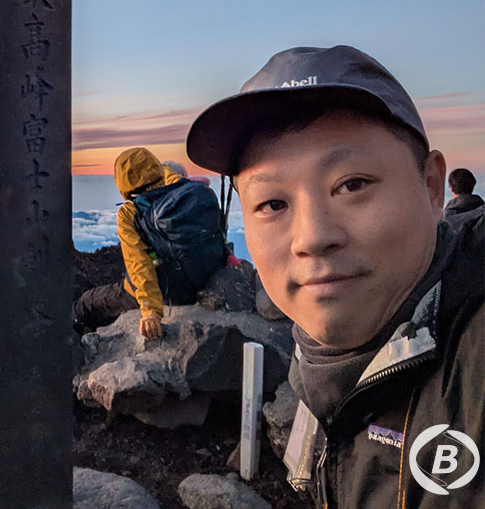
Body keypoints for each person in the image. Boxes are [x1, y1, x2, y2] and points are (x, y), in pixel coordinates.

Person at [186, 46, 483, 508]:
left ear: (430, 187)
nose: (312, 237)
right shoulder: (318, 362)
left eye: (352, 185)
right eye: (272, 204)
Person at [74, 147, 227, 339]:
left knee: (87, 303)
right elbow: (168, 176)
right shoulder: (184, 188)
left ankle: (77, 340)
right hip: (205, 278)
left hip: (170, 292)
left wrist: (150, 311)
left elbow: (139, 263)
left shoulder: (129, 213)